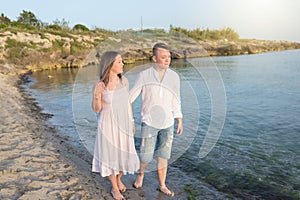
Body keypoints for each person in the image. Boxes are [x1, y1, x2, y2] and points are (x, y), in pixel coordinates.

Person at [130, 43, 183, 197]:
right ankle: (140, 175)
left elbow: (176, 99)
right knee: (146, 155)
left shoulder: (174, 76)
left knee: (163, 155)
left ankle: (162, 185)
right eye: (163, 57)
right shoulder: (144, 75)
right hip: (149, 122)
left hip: (168, 123)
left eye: (169, 57)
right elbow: (131, 97)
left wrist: (179, 119)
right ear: (154, 58)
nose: (167, 60)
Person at [91, 51, 139, 200]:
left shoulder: (124, 81)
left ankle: (119, 179)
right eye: (119, 61)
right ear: (110, 64)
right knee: (110, 155)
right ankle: (114, 187)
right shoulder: (100, 84)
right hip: (108, 124)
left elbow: (128, 103)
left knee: (124, 153)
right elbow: (96, 109)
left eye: (121, 61)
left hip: (124, 123)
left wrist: (132, 122)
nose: (122, 64)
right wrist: (96, 96)